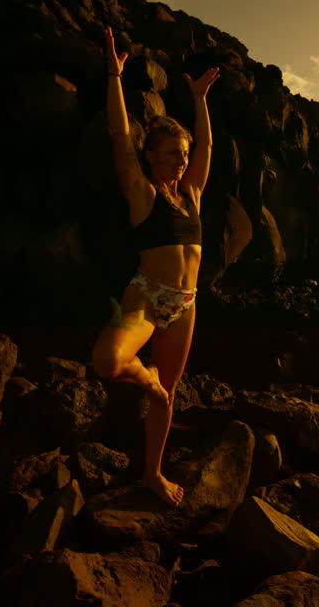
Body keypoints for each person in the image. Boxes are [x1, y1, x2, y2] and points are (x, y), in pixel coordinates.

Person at [90, 25, 219, 507]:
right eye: (172, 154)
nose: (182, 162)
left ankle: (152, 473)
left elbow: (207, 150)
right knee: (108, 361)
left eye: (183, 156)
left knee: (172, 390)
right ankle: (151, 385)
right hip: (146, 298)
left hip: (185, 306)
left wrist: (200, 100)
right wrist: (114, 75)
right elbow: (120, 136)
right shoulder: (143, 194)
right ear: (152, 156)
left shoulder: (193, 197)